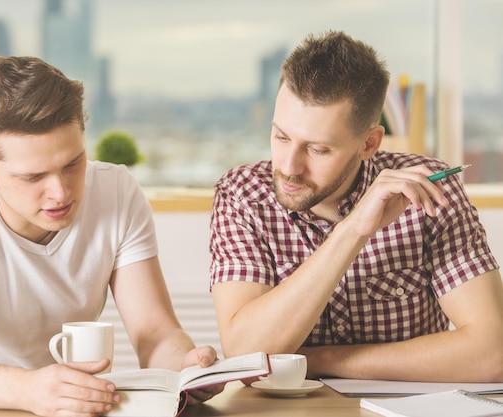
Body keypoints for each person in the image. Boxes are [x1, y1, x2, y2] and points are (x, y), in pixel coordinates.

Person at [0, 55, 222, 417]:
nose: (60, 192)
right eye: (33, 177)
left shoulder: (117, 190)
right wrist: (26, 390)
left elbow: (153, 331)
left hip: (68, 410)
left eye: (73, 163)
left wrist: (185, 366)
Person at [209, 31, 503, 383]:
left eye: (317, 150)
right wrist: (351, 231)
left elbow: (492, 354)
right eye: (281, 136)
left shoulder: (427, 188)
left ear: (368, 143)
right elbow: (245, 354)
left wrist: (320, 360)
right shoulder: (241, 196)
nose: (288, 167)